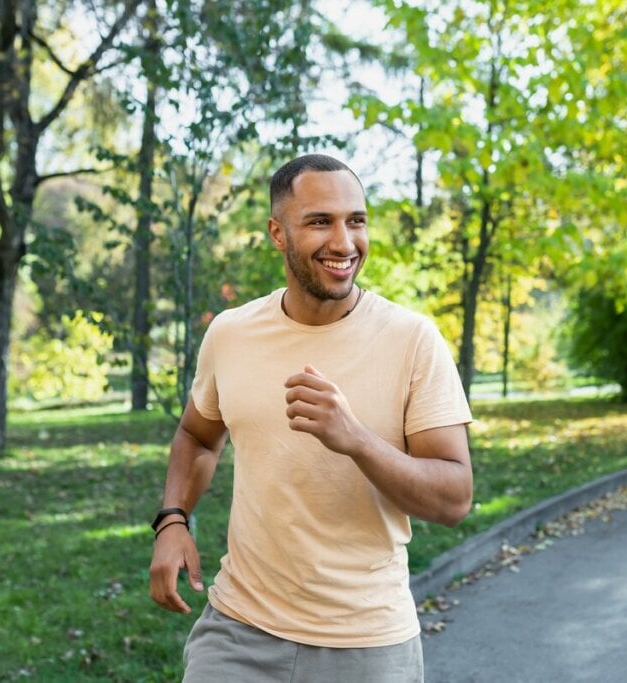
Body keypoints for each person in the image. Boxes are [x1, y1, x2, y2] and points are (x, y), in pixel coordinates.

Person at [148, 153, 473, 682]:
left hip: (367, 644)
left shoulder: (413, 340)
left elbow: (455, 498)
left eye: (356, 221)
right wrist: (172, 520)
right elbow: (197, 436)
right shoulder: (231, 333)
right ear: (278, 233)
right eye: (320, 221)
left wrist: (357, 440)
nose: (344, 243)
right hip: (238, 630)